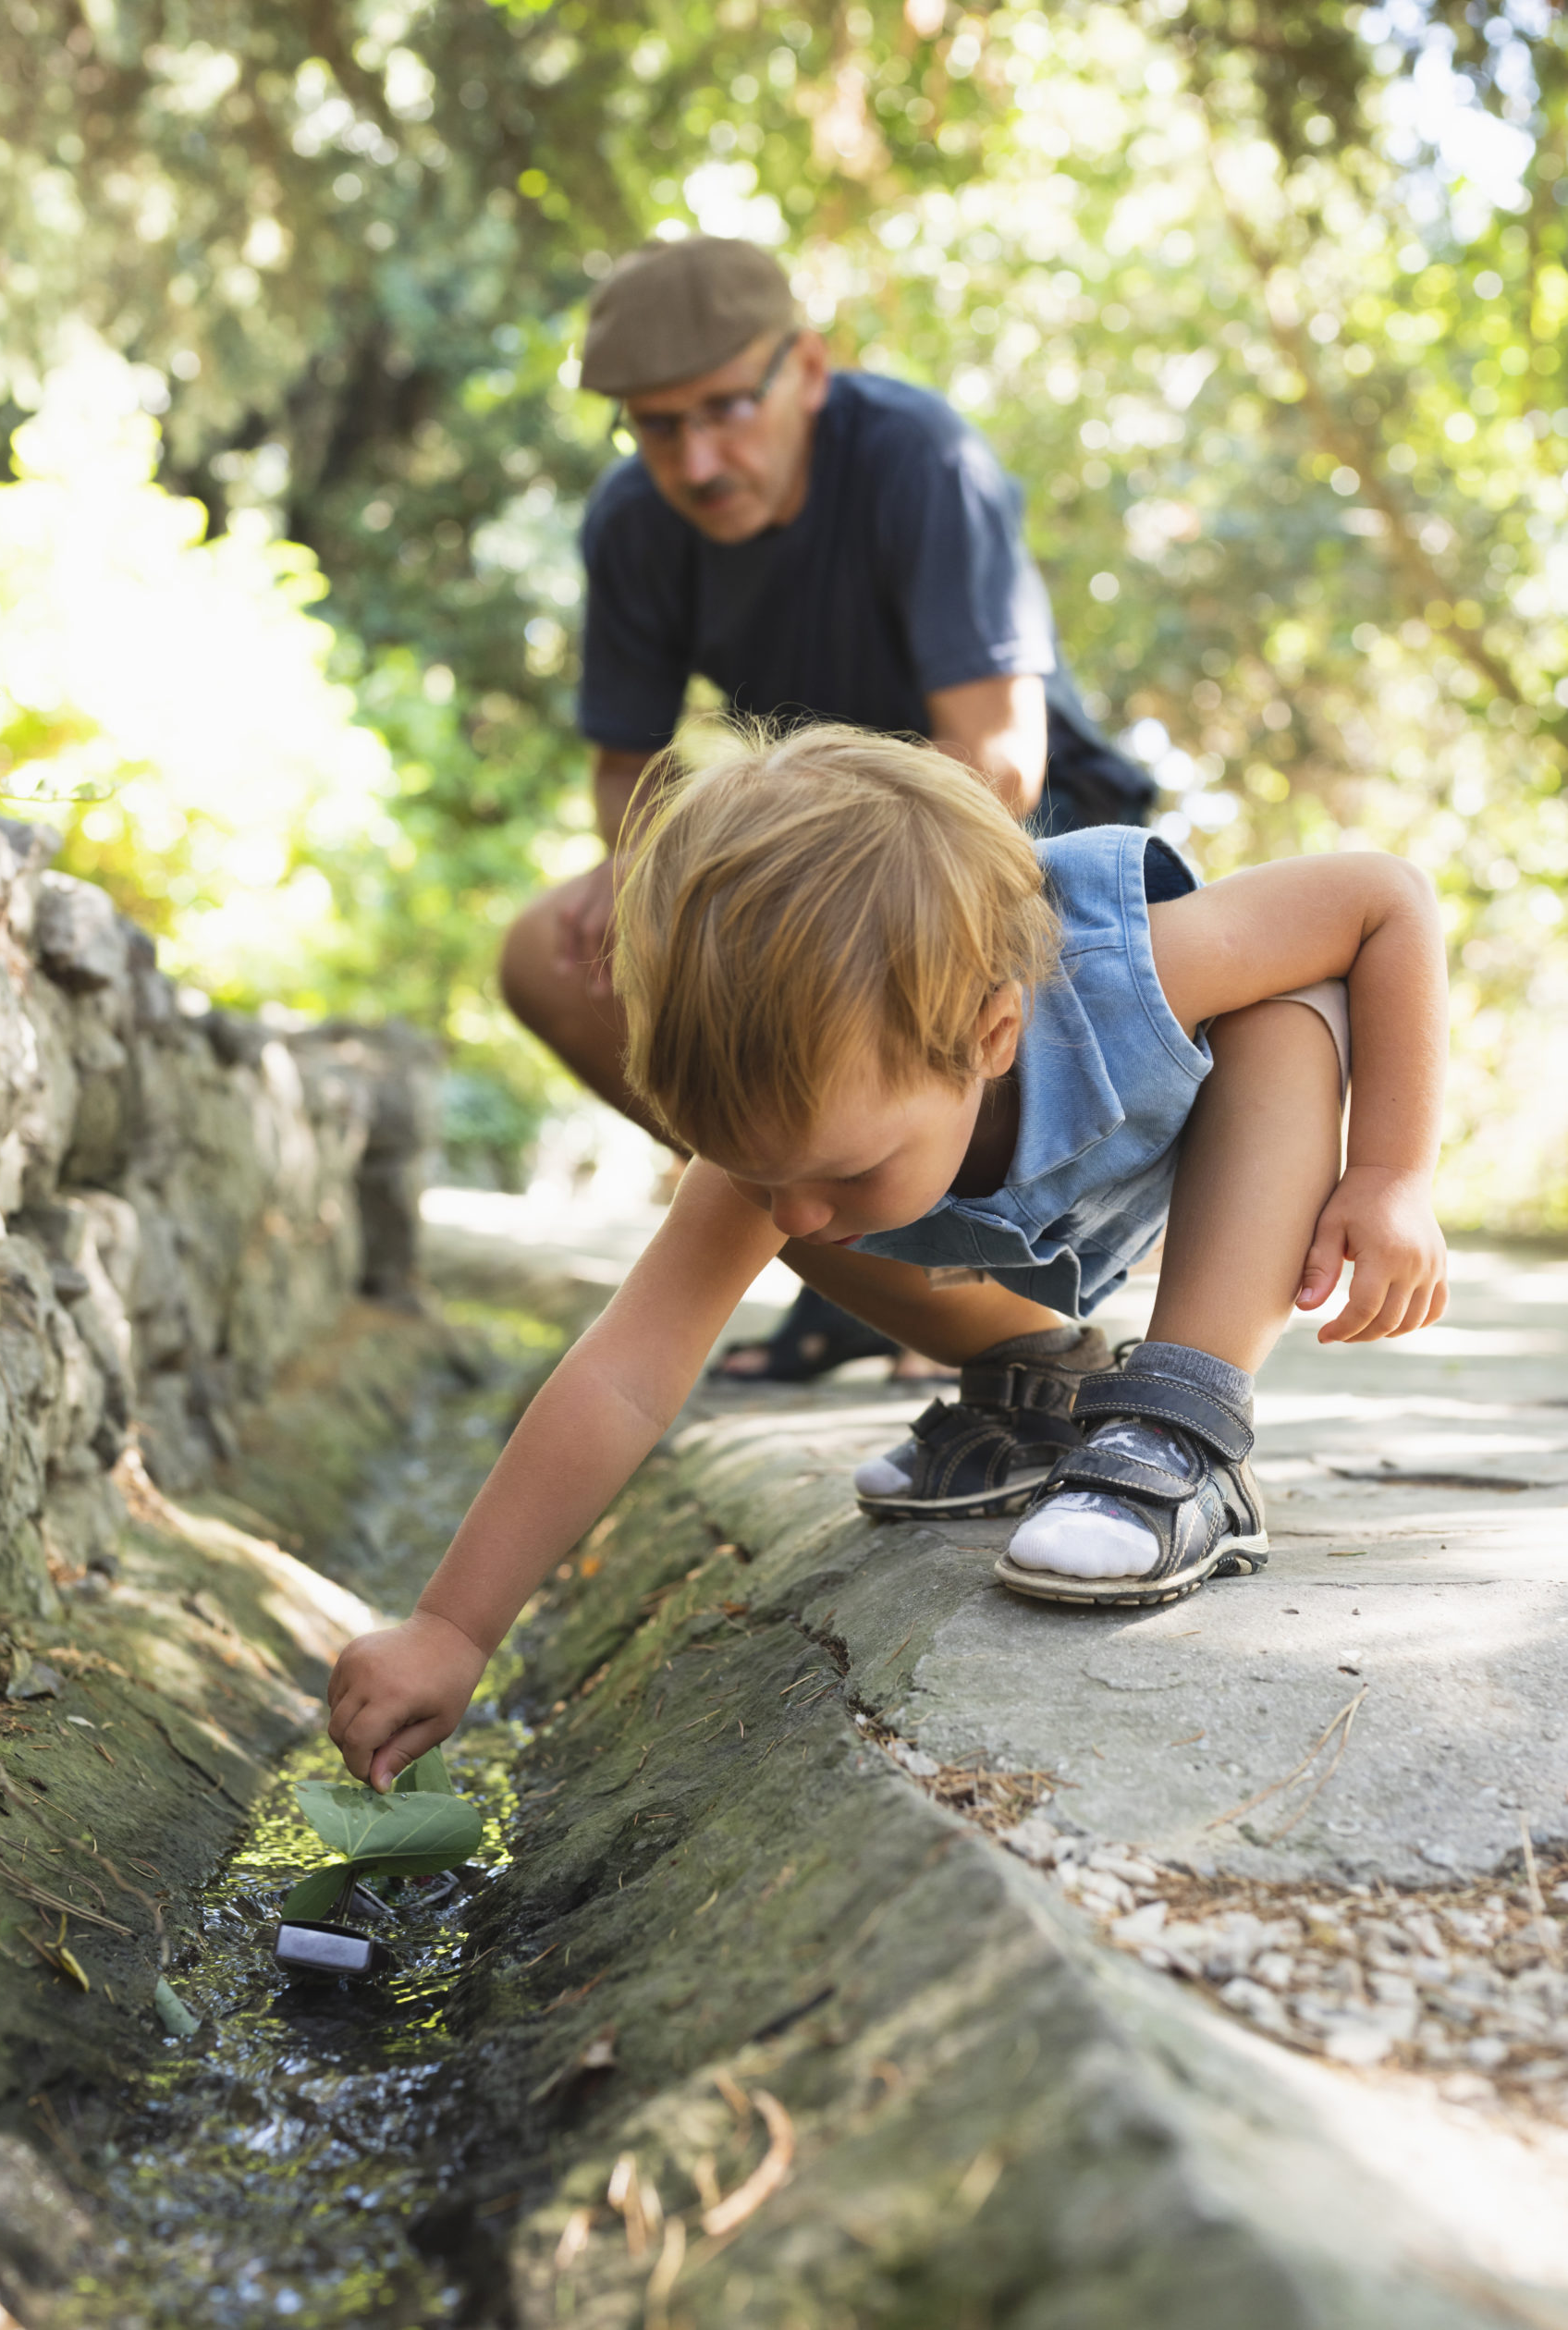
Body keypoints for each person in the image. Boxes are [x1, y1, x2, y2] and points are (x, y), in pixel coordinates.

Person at [328, 724, 1448, 1792]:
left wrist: (1390, 1175)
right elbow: (624, 1372)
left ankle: (1181, 1420)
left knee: (1284, 1014)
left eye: (841, 1168)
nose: (801, 1212)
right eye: (762, 1169)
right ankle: (1037, 1388)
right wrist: (451, 1626)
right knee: (768, 1215)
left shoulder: (1133, 965)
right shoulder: (799, 1154)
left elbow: (1378, 900)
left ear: (989, 1034)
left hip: (1216, 1146)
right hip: (1018, 1234)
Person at [499, 233, 1153, 1384]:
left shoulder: (918, 460)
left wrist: (842, 917)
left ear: (805, 368)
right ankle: (870, 1271)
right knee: (547, 959)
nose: (696, 460)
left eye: (723, 408)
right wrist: (640, 882)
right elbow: (627, 774)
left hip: (1007, 845)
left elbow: (996, 757)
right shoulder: (631, 526)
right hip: (808, 860)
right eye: (655, 425)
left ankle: (960, 1281)